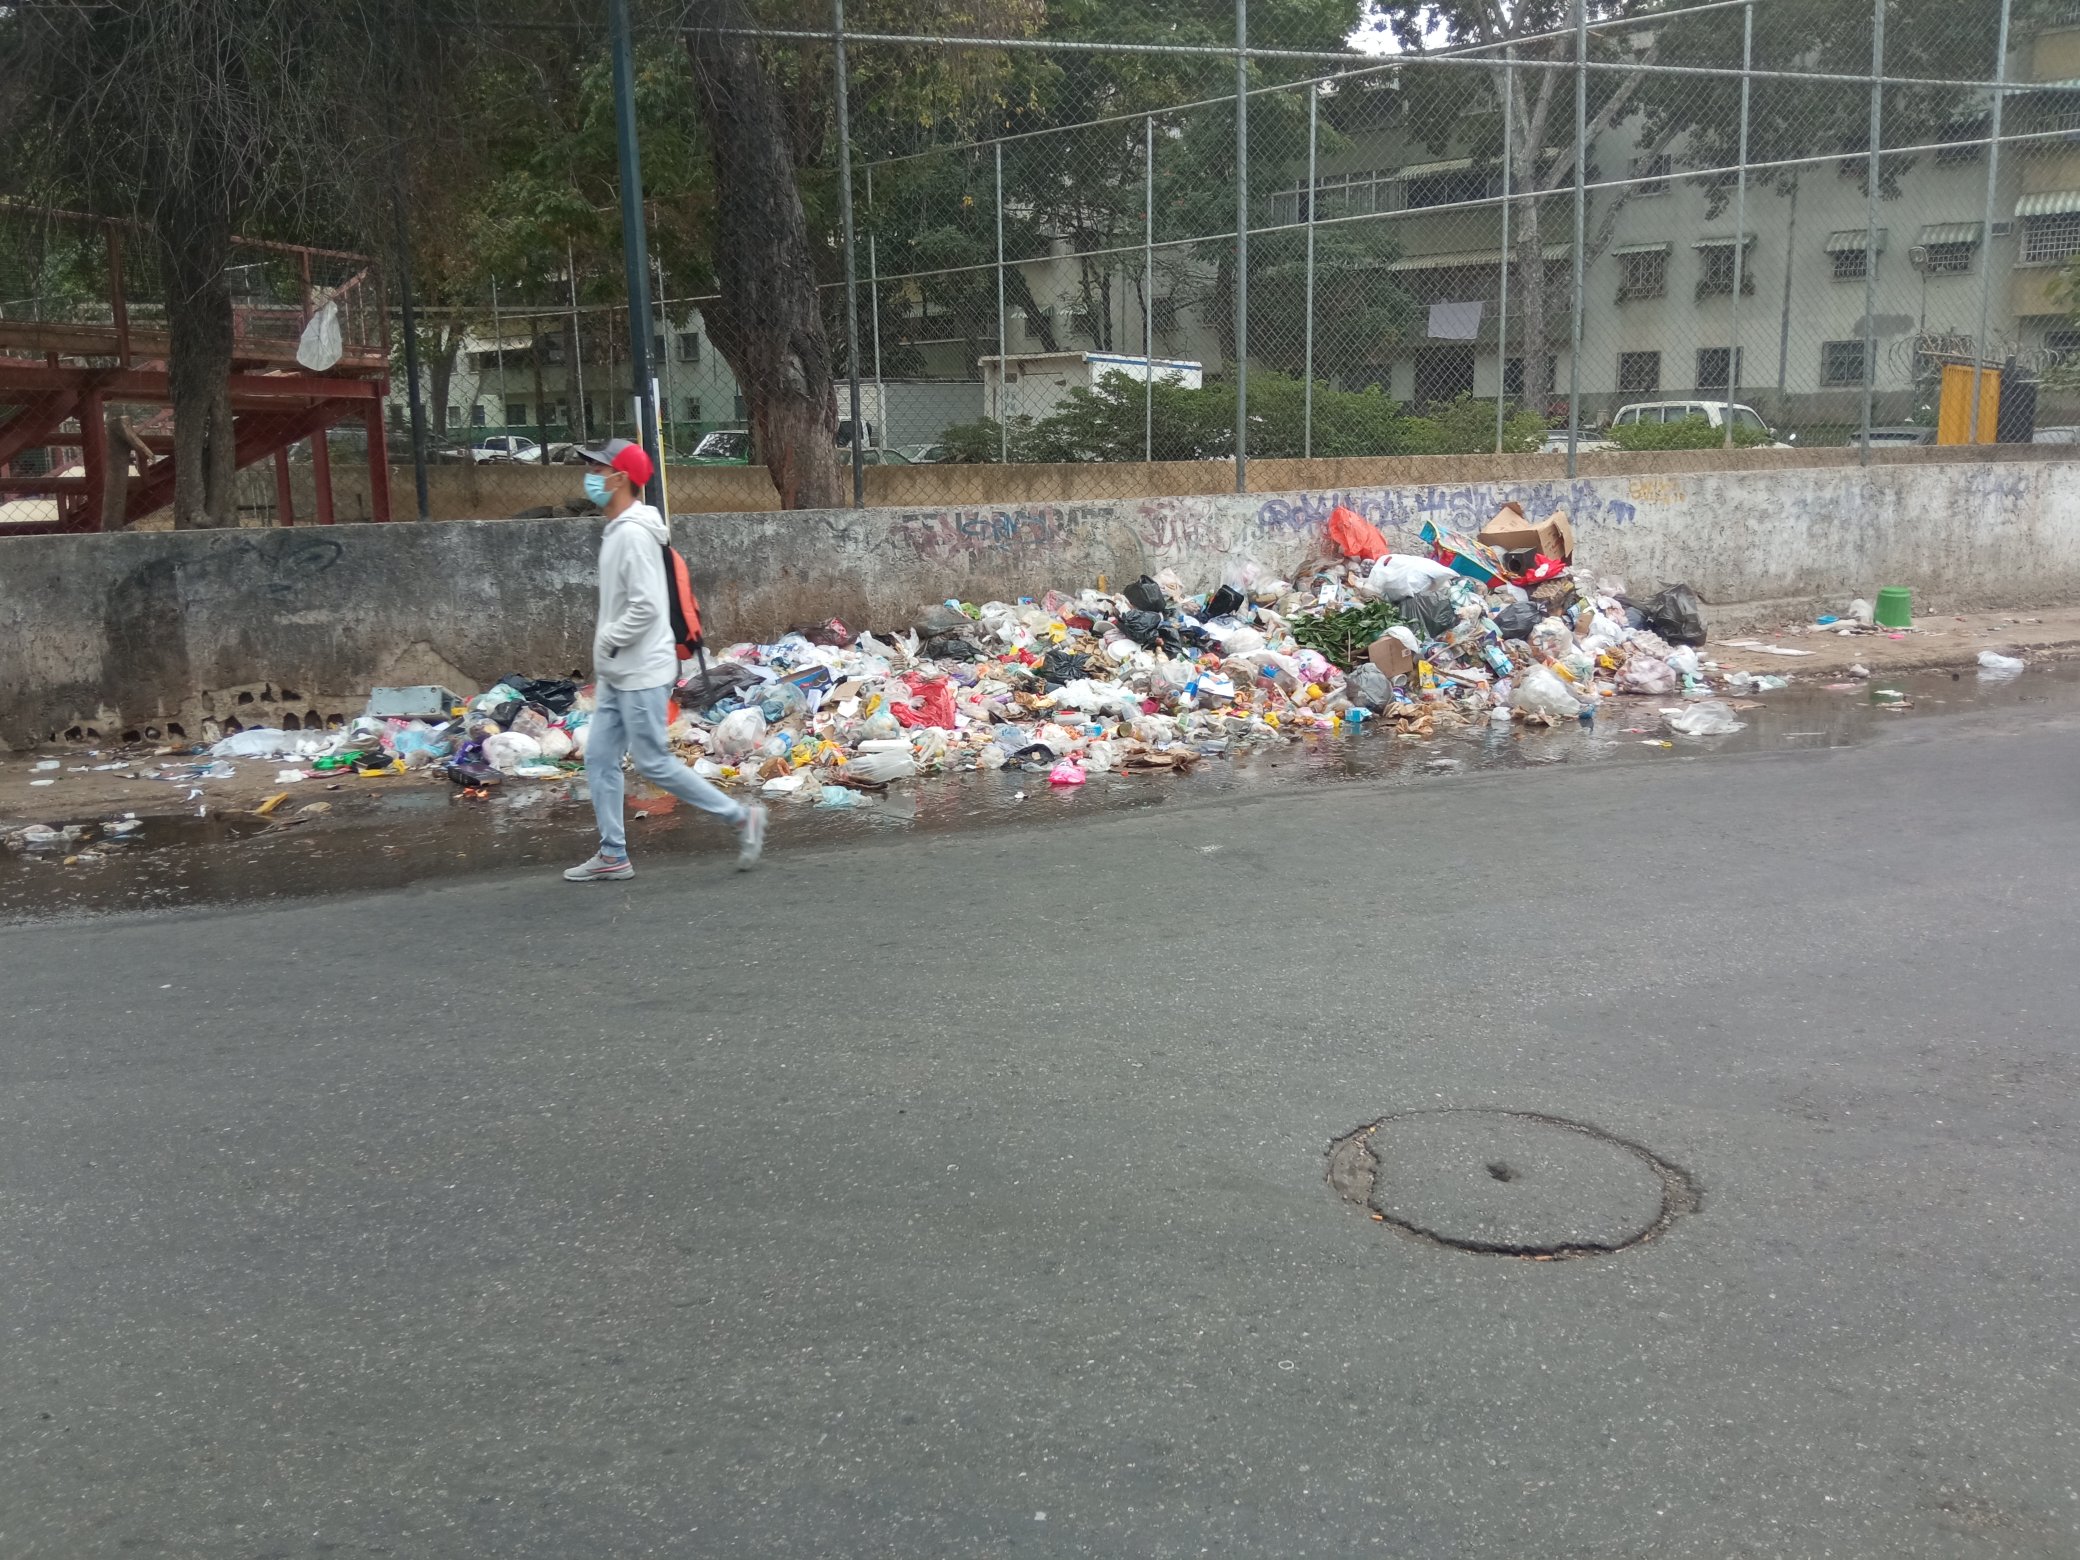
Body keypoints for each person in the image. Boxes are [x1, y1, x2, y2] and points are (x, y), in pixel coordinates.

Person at [563, 438, 766, 881]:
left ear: (621, 479)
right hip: (623, 670)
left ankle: (741, 818)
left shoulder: (633, 534)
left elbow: (646, 607)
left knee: (653, 762)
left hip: (640, 670)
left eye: (598, 470)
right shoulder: (621, 529)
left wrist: (608, 643)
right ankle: (613, 853)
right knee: (599, 758)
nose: (590, 477)